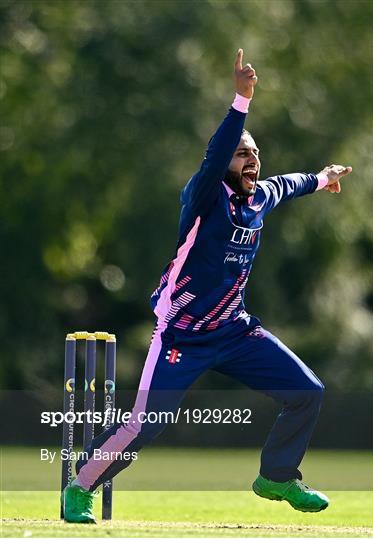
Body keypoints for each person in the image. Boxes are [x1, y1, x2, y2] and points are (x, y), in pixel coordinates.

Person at [63, 49, 352, 523]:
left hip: (234, 331)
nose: (250, 159)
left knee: (307, 392)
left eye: (254, 153)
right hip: (180, 332)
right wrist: (241, 100)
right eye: (242, 153)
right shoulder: (202, 195)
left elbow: (295, 182)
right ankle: (80, 487)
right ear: (224, 163)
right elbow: (218, 149)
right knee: (145, 425)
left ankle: (277, 476)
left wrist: (325, 178)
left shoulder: (261, 195)